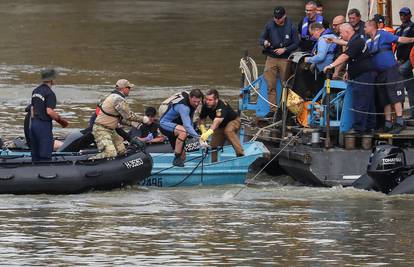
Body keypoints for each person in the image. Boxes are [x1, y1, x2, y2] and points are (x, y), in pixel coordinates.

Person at [324, 23, 376, 134]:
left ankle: (359, 128)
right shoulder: (355, 40)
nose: (340, 36)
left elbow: (345, 56)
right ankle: (370, 126)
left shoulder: (356, 42)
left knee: (361, 102)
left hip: (364, 76)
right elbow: (354, 56)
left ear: (347, 32)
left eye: (341, 33)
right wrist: (348, 71)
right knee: (368, 102)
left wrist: (331, 66)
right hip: (361, 74)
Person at [365, 20, 414, 133]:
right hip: (379, 74)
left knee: (395, 96)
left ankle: (400, 121)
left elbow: (400, 39)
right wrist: (336, 41)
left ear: (372, 27)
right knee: (385, 99)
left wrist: (413, 39)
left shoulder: (383, 34)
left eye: (365, 27)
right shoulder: (367, 41)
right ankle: (388, 123)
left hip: (391, 71)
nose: (364, 29)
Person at [91, 79, 149, 159]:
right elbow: (128, 116)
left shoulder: (114, 96)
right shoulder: (118, 99)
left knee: (122, 151)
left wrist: (134, 124)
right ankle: (90, 159)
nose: (129, 90)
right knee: (110, 154)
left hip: (111, 130)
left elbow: (120, 118)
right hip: (101, 130)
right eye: (129, 88)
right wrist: (143, 119)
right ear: (123, 88)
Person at [259, 6, 299, 117]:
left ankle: (286, 109)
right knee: (270, 85)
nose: (277, 20)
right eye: (275, 18)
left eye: (279, 18)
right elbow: (261, 39)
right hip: (271, 58)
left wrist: (285, 49)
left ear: (284, 16)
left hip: (285, 58)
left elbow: (296, 43)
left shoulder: (291, 26)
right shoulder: (269, 25)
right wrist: (265, 42)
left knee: (286, 84)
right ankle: (273, 110)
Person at [30, 69, 68, 162]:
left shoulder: (35, 91)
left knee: (35, 154)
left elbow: (32, 109)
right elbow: (49, 111)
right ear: (52, 80)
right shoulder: (50, 93)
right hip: (43, 126)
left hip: (34, 124)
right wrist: (62, 121)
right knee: (45, 155)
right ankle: (45, 173)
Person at [159, 89, 204, 167]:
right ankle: (176, 158)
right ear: (189, 97)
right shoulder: (183, 106)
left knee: (183, 157)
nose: (196, 104)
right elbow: (187, 125)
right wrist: (198, 137)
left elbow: (190, 119)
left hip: (175, 128)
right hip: (165, 125)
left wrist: (194, 132)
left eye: (198, 102)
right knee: (184, 131)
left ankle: (177, 167)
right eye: (194, 101)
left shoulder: (192, 104)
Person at [198, 89, 244, 162]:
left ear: (216, 100)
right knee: (213, 146)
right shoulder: (206, 104)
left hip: (233, 121)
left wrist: (208, 132)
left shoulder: (221, 106)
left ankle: (240, 154)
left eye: (210, 100)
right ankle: (214, 163)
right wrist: (203, 130)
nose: (207, 102)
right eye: (206, 99)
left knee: (228, 131)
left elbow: (216, 122)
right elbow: (202, 119)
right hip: (220, 126)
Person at [395, 7, 414, 119]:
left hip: (408, 61)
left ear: (410, 15)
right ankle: (403, 114)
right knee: (410, 87)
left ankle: (399, 115)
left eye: (405, 14)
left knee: (398, 84)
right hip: (398, 60)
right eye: (401, 14)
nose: (403, 17)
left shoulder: (413, 27)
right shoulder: (398, 30)